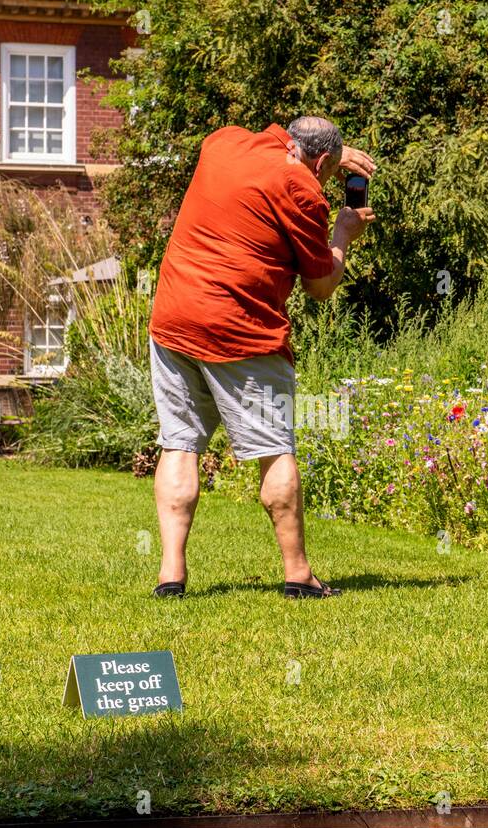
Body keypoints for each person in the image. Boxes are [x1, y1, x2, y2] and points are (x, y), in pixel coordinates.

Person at [147, 115, 376, 599]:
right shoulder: (304, 189)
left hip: (173, 320)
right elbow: (319, 286)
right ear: (319, 163)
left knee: (180, 443)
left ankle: (171, 577)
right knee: (275, 449)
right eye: (329, 171)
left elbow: (284, 156)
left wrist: (331, 156)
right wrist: (342, 235)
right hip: (240, 333)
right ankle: (298, 574)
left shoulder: (221, 142)